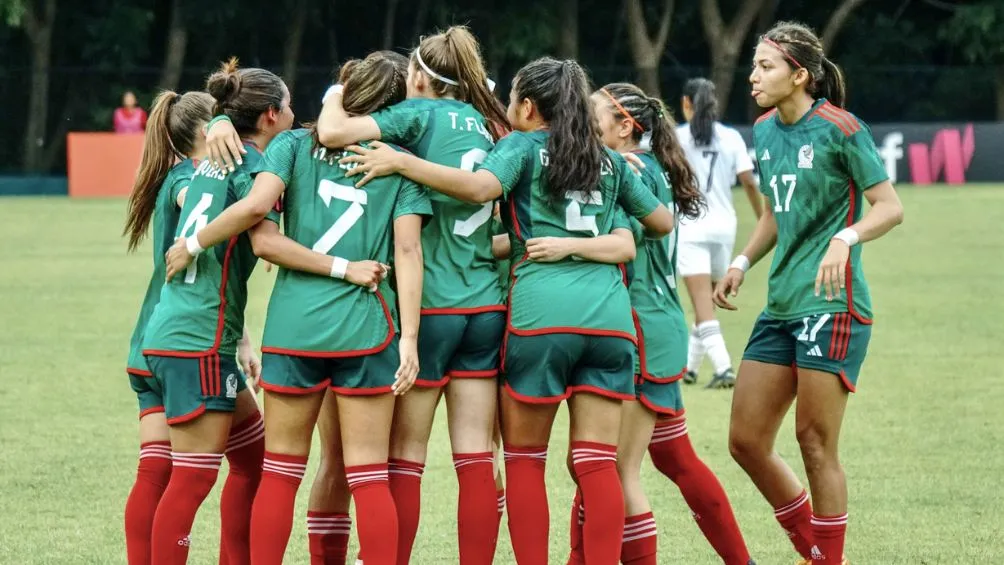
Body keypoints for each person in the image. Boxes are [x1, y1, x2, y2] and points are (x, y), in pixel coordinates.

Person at [337, 56, 675, 565]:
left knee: (522, 462)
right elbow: (662, 221)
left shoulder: (520, 146)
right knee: (597, 465)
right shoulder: (604, 159)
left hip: (538, 319)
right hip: (609, 322)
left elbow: (480, 189)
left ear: (529, 106)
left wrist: (403, 161)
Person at [164, 50, 430, 565]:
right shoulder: (401, 164)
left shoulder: (289, 144)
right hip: (367, 330)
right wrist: (412, 341)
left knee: (282, 473)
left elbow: (262, 238)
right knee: (369, 476)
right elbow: (408, 252)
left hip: (293, 331)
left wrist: (220, 120)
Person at [718, 21, 904, 565]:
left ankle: (827, 559)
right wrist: (742, 259)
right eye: (754, 64)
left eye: (766, 66)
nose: (753, 75)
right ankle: (817, 552)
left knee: (815, 442)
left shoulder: (843, 129)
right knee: (745, 441)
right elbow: (777, 209)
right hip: (781, 306)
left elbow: (890, 207)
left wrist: (845, 238)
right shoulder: (765, 130)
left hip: (833, 306)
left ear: (800, 75)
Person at [556, 82, 755, 565]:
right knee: (674, 459)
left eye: (592, 113)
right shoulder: (643, 166)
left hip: (639, 330)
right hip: (656, 325)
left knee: (610, 470)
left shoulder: (625, 169)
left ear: (625, 127)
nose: (582, 120)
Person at [140, 59, 293, 565]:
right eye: (289, 105)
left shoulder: (206, 164)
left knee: (253, 460)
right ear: (270, 115)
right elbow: (253, 214)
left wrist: (222, 118)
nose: (295, 112)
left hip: (194, 335)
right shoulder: (252, 168)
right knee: (191, 480)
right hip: (197, 341)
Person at [122, 89, 266, 565]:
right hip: (191, 343)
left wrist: (242, 337)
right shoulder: (195, 176)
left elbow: (209, 267)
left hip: (153, 341)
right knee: (194, 476)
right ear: (211, 131)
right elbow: (200, 208)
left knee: (180, 467)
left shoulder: (173, 176)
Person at [675, 78, 762, 389]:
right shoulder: (731, 138)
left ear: (686, 103)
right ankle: (690, 367)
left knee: (702, 305)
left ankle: (724, 368)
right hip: (725, 228)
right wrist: (763, 218)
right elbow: (750, 183)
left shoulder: (677, 138)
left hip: (689, 227)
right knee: (707, 305)